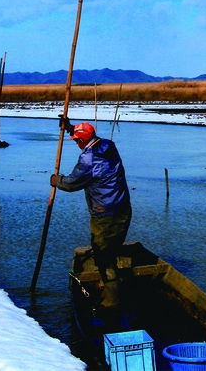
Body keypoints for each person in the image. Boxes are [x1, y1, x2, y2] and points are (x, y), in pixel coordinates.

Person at [50, 116, 132, 309]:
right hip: (123, 208)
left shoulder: (88, 159)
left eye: (78, 141)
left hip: (105, 213)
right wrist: (70, 128)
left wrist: (56, 180)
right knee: (110, 250)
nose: (77, 144)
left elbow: (72, 183)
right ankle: (111, 286)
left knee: (103, 256)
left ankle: (112, 300)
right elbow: (89, 139)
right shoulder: (108, 146)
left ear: (83, 141)